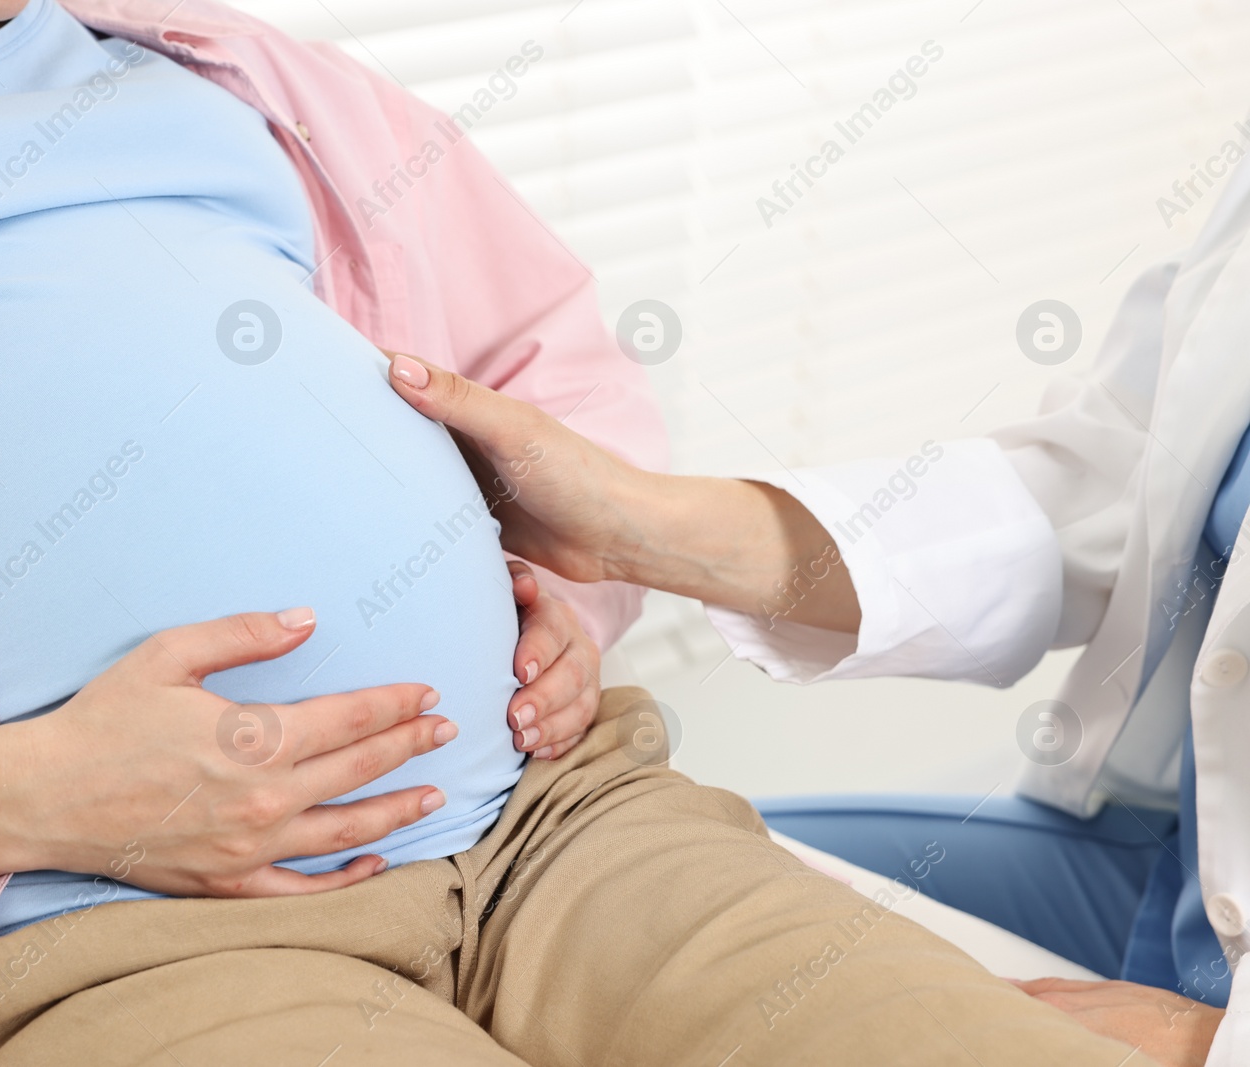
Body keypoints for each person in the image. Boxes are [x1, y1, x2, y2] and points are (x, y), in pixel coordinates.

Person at [0, 0, 1170, 1063]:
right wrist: (24, 798)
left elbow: (544, 375)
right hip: (108, 930)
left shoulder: (238, 85)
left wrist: (559, 617)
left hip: (550, 822)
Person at [379, 149, 1250, 1067]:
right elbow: (1101, 492)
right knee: (685, 890)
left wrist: (1212, 1040)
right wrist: (630, 522)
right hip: (1176, 868)